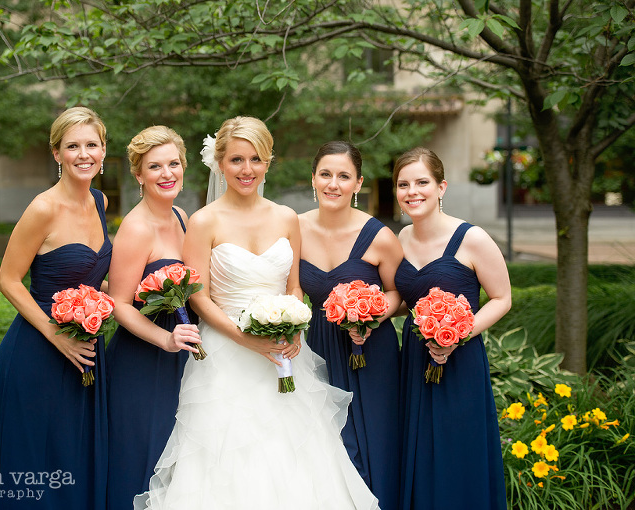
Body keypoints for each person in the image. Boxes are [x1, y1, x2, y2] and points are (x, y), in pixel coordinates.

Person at [134, 116, 378, 510]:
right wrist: (244, 338)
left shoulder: (285, 217)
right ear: (220, 162)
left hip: (283, 355)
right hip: (224, 357)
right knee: (226, 461)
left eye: (256, 159)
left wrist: (295, 326)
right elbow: (198, 297)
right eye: (236, 160)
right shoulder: (203, 221)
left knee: (294, 459)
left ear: (268, 162)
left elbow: (294, 285)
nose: (246, 170)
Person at [0, 106, 111, 509]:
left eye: (92, 144)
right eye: (73, 146)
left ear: (104, 151)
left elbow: (91, 276)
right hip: (38, 352)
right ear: (56, 154)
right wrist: (56, 335)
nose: (83, 154)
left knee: (73, 459)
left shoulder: (100, 201)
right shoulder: (43, 209)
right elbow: (8, 279)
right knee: (37, 467)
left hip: (85, 350)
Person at [392, 147, 511, 510]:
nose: (412, 191)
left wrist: (457, 334)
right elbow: (403, 299)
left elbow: (502, 298)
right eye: (403, 184)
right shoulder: (401, 238)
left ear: (441, 187)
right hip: (415, 359)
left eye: (422, 182)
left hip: (460, 361)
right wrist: (364, 318)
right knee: (420, 452)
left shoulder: (472, 238)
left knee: (458, 450)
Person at [299, 141, 404, 509]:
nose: (333, 183)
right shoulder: (294, 230)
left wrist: (372, 315)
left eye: (344, 176)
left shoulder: (379, 236)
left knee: (375, 439)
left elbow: (399, 294)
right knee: (331, 444)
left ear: (358, 184)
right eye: (326, 174)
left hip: (372, 351)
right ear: (313, 178)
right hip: (318, 351)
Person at [105, 125, 201, 508]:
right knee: (146, 455)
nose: (167, 174)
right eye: (155, 166)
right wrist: (165, 338)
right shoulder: (135, 228)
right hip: (143, 360)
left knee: (179, 460)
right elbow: (119, 302)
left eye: (174, 164)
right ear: (139, 175)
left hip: (182, 356)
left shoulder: (181, 216)